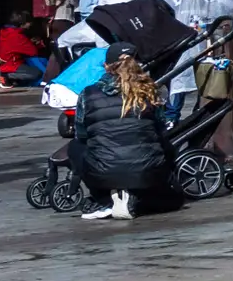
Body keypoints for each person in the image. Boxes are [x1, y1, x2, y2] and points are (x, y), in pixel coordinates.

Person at [68, 47, 175, 222]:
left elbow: (81, 134)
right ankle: (139, 193)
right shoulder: (149, 90)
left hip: (103, 169)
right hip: (148, 167)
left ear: (105, 66)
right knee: (162, 144)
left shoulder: (88, 94)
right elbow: (161, 129)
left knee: (75, 147)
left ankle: (103, 198)